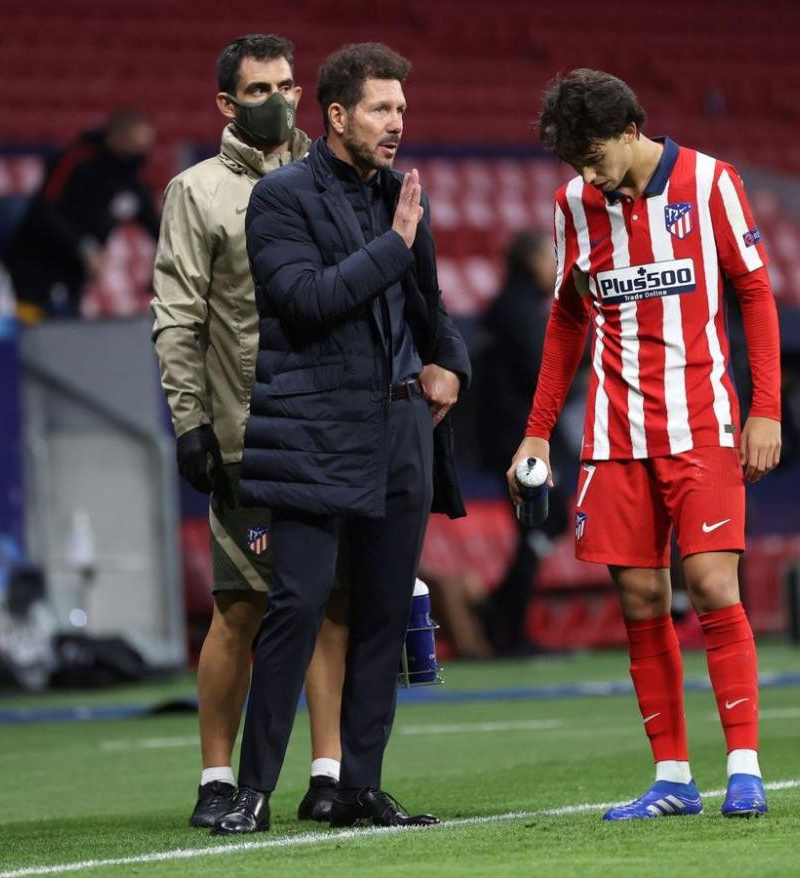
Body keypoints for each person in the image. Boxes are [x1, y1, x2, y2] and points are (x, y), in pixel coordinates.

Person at [508, 69, 782, 820]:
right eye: (576, 163)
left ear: (632, 129)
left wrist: (768, 409)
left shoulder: (711, 182)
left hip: (703, 427)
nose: (588, 174)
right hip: (614, 436)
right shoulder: (574, 205)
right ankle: (672, 777)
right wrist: (537, 430)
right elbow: (567, 317)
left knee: (714, 587)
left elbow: (754, 292)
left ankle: (746, 768)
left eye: (595, 156)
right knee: (639, 599)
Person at [213, 42, 470, 835]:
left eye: (401, 108)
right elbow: (304, 301)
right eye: (381, 109)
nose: (397, 123)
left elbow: (431, 310)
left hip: (399, 428)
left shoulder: (402, 195)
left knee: (385, 613)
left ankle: (355, 787)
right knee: (294, 606)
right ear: (336, 115)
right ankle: (251, 790)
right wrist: (392, 244)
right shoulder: (281, 198)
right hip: (313, 427)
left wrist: (449, 365)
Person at [150, 33, 347, 829]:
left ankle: (328, 773)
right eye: (260, 89)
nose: (279, 100)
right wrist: (190, 421)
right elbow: (178, 315)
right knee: (240, 607)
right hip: (245, 432)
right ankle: (214, 777)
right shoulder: (195, 193)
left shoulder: (332, 178)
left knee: (330, 601)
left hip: (330, 432)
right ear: (227, 104)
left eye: (289, 85)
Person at [476, 230, 574, 654]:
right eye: (550, 256)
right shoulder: (518, 312)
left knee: (543, 523)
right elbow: (542, 373)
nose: (555, 265)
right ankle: (508, 623)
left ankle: (502, 609)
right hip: (518, 439)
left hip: (512, 435)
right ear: (530, 260)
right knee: (542, 522)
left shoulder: (512, 308)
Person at [5, 109, 159, 320]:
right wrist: (84, 246)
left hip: (74, 275)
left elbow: (156, 227)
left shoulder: (131, 181)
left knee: (66, 329)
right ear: (116, 137)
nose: (141, 151)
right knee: (33, 331)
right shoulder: (76, 161)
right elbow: (44, 210)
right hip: (37, 264)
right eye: (135, 143)